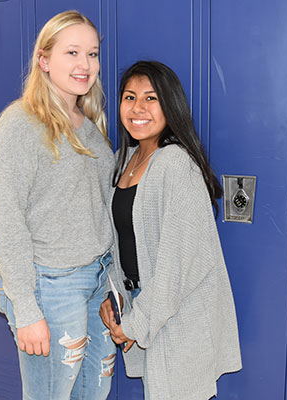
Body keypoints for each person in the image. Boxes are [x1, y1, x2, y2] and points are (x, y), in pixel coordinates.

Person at [0, 10, 116, 400]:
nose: (85, 65)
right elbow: (5, 220)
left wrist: (114, 282)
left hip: (97, 280)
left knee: (95, 389)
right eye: (72, 52)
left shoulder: (89, 125)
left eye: (92, 54)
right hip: (51, 286)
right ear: (44, 60)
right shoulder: (20, 124)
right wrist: (26, 310)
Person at [100, 61, 242, 399]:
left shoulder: (176, 164)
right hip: (143, 307)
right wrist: (114, 298)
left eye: (151, 98)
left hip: (179, 316)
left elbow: (175, 269)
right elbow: (116, 243)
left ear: (170, 105)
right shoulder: (125, 158)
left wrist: (134, 325)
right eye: (130, 97)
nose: (138, 108)